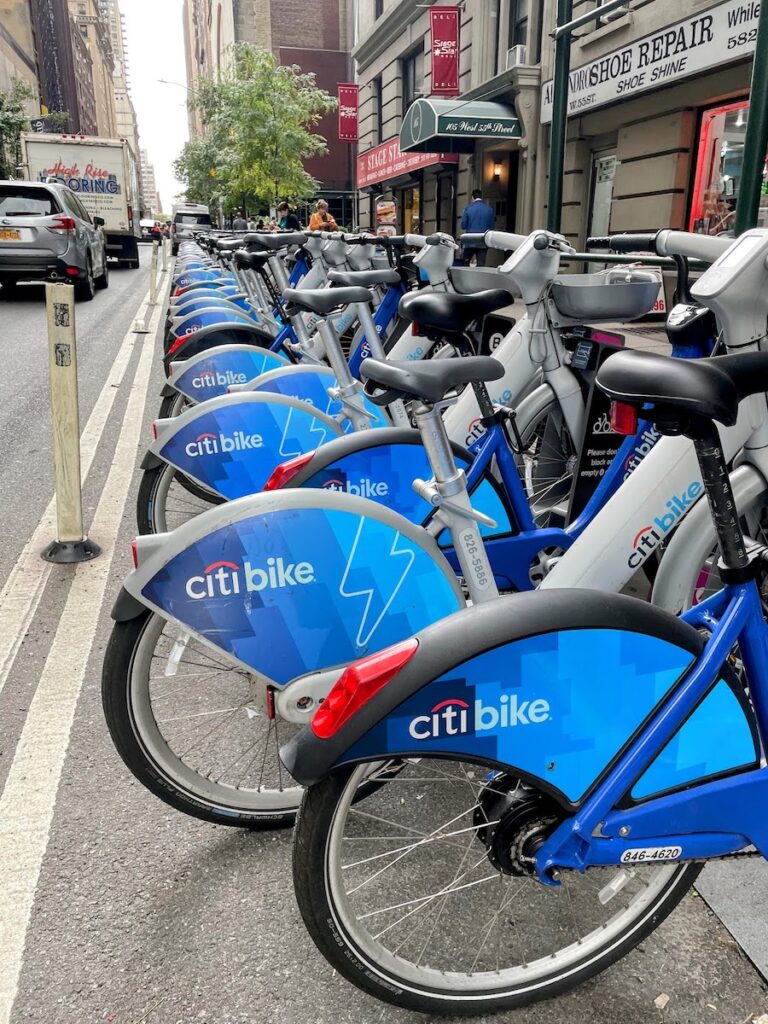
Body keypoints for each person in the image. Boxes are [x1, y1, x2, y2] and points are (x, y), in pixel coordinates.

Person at [459, 188, 495, 266]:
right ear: (481, 197)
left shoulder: (468, 209)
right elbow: (491, 227)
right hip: (483, 241)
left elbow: (463, 225)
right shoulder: (489, 210)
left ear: (472, 197)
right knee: (481, 264)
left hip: (470, 241)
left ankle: (466, 277)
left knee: (465, 264)